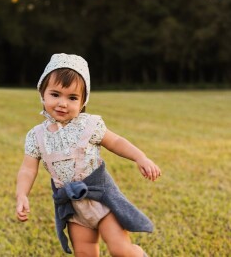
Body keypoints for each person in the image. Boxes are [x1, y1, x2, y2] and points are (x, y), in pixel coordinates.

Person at [16, 53, 161, 257]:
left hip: (102, 199)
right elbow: (27, 168)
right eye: (55, 94)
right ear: (42, 93)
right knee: (84, 253)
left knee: (120, 249)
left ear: (83, 101)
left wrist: (140, 157)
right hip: (74, 207)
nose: (62, 103)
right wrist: (22, 194)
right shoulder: (36, 136)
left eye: (72, 97)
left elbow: (116, 142)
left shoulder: (88, 125)